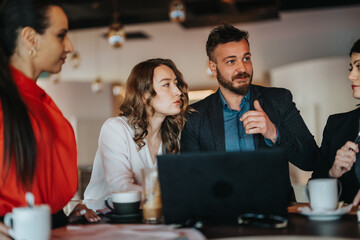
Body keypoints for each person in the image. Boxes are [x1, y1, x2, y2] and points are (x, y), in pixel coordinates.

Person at [180, 24, 319, 201]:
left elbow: (312, 160)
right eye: (231, 61)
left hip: (276, 215)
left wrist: (274, 132)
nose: (242, 69)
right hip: (223, 216)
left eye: (246, 58)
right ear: (213, 67)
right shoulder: (194, 116)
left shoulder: (279, 100)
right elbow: (191, 178)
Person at [0, 0, 99, 233]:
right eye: (61, 35)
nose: (69, 46)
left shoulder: (36, 100)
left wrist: (61, 215)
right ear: (30, 39)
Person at [83, 58, 191, 211]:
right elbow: (121, 188)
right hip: (102, 220)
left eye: (176, 84)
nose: (178, 92)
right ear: (144, 95)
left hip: (144, 217)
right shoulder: (115, 128)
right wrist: (175, 193)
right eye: (166, 85)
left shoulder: (173, 135)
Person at [312, 39, 360, 204]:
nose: (351, 75)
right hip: (345, 229)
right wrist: (332, 174)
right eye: (351, 67)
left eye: (359, 66)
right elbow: (313, 194)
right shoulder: (336, 125)